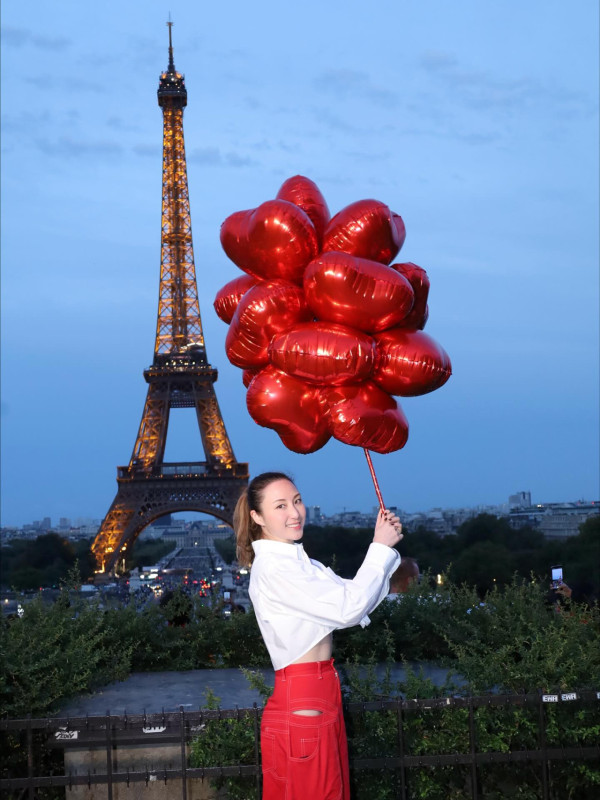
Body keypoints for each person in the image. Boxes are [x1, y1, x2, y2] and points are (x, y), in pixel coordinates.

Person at [234, 471, 402, 800]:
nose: (294, 512)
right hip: (306, 694)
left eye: (297, 501)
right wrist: (379, 548)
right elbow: (349, 608)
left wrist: (384, 554)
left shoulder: (295, 563)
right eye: (280, 506)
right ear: (257, 517)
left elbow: (354, 599)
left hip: (312, 691)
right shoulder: (279, 569)